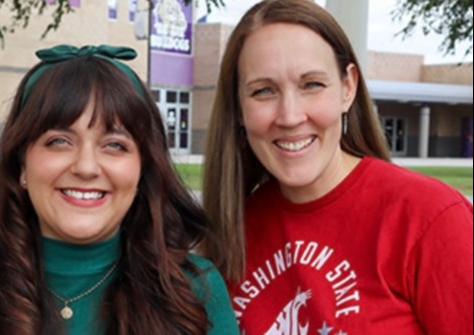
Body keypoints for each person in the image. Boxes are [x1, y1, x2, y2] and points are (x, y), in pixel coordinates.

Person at [0, 44, 239, 335]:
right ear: (22, 164)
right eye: (59, 141)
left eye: (114, 144)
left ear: (143, 168)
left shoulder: (195, 291)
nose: (86, 167)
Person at [200, 0, 474, 334]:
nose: (290, 116)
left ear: (347, 87)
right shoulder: (228, 233)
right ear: (239, 109)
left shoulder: (428, 217)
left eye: (311, 84)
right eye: (264, 91)